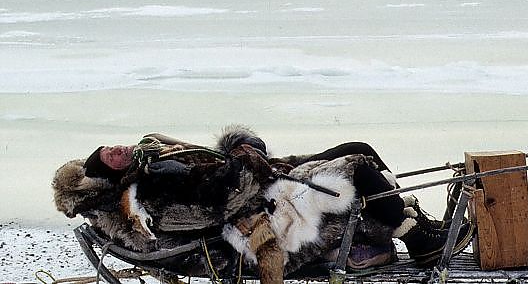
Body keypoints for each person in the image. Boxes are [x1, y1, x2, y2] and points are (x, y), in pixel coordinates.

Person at [53, 127, 472, 280]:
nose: (119, 149)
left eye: (112, 146)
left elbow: (213, 158)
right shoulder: (148, 196)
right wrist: (242, 166)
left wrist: (242, 147)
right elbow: (212, 209)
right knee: (356, 167)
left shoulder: (155, 153)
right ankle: (419, 241)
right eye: (111, 157)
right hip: (261, 209)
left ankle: (411, 220)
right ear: (113, 176)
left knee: (357, 146)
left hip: (267, 176)